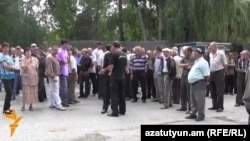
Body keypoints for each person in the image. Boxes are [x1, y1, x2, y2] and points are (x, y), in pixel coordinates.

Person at [100, 42, 127, 117]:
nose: (111, 48)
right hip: (122, 77)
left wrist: (104, 70)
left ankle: (114, 112)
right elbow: (125, 66)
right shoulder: (124, 54)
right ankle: (122, 110)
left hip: (115, 77)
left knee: (114, 94)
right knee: (122, 94)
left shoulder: (114, 54)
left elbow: (111, 66)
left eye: (111, 46)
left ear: (114, 46)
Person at [186, 48, 210, 121]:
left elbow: (207, 75)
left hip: (199, 83)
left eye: (195, 52)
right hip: (193, 83)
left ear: (200, 53)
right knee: (193, 99)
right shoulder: (196, 61)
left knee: (200, 100)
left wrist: (206, 82)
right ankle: (193, 113)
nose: (193, 53)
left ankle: (201, 115)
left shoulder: (203, 62)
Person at [45, 46, 66, 111]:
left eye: (57, 50)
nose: (56, 51)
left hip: (56, 74)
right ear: (52, 50)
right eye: (55, 50)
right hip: (53, 75)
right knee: (55, 90)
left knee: (52, 90)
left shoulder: (55, 57)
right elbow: (49, 68)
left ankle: (51, 103)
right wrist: (52, 76)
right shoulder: (49, 57)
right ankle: (58, 104)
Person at [208, 42, 227, 112]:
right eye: (209, 47)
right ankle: (214, 105)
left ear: (215, 47)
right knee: (212, 90)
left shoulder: (221, 53)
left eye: (211, 47)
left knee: (219, 90)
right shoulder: (210, 54)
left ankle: (220, 106)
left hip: (219, 72)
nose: (210, 48)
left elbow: (225, 64)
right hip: (211, 72)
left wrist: (224, 73)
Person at [0, 42, 16, 114]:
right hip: (5, 76)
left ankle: (8, 107)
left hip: (11, 76)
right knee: (8, 92)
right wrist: (13, 68)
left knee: (11, 92)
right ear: (2, 48)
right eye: (5, 48)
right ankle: (5, 109)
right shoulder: (2, 57)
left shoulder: (9, 56)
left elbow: (13, 63)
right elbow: (5, 66)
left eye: (7, 48)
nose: (6, 49)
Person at [56, 40, 69, 107]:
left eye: (67, 44)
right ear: (61, 45)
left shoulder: (65, 51)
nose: (66, 46)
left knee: (63, 87)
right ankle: (63, 101)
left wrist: (66, 60)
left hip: (65, 70)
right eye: (65, 44)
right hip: (62, 71)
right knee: (64, 87)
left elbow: (67, 60)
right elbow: (63, 61)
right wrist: (66, 60)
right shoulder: (60, 51)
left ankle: (61, 100)